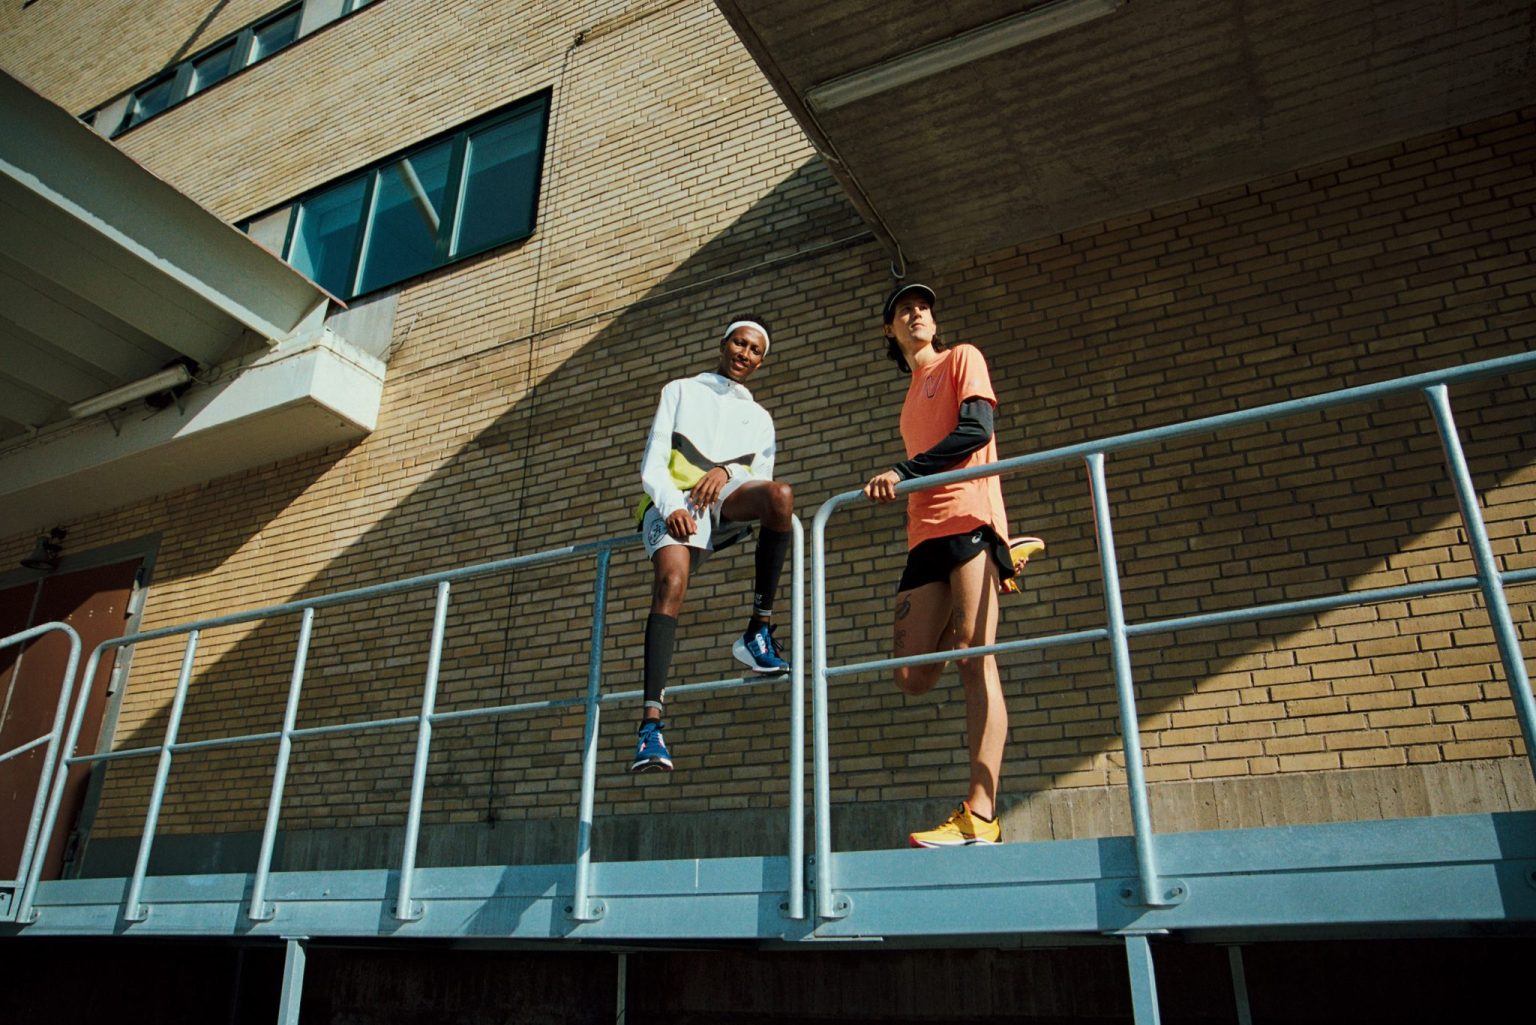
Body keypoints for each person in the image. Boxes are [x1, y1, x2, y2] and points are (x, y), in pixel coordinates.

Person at [863, 283, 1042, 846]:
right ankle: (1001, 564)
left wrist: (902, 471)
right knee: (912, 675)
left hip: (968, 515)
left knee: (973, 657)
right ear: (888, 331)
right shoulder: (910, 396)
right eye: (903, 311)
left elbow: (976, 432)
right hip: (925, 534)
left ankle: (980, 816)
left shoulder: (962, 358)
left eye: (923, 308)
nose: (916, 315)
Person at [631, 316, 795, 773]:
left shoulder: (760, 418)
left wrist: (728, 472)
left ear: (762, 361)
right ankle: (650, 727)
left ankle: (758, 629)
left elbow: (760, 477)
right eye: (739, 344)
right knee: (672, 583)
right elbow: (653, 464)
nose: (745, 354)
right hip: (671, 504)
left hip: (723, 502)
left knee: (780, 497)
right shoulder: (680, 390)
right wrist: (670, 507)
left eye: (755, 350)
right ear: (723, 345)